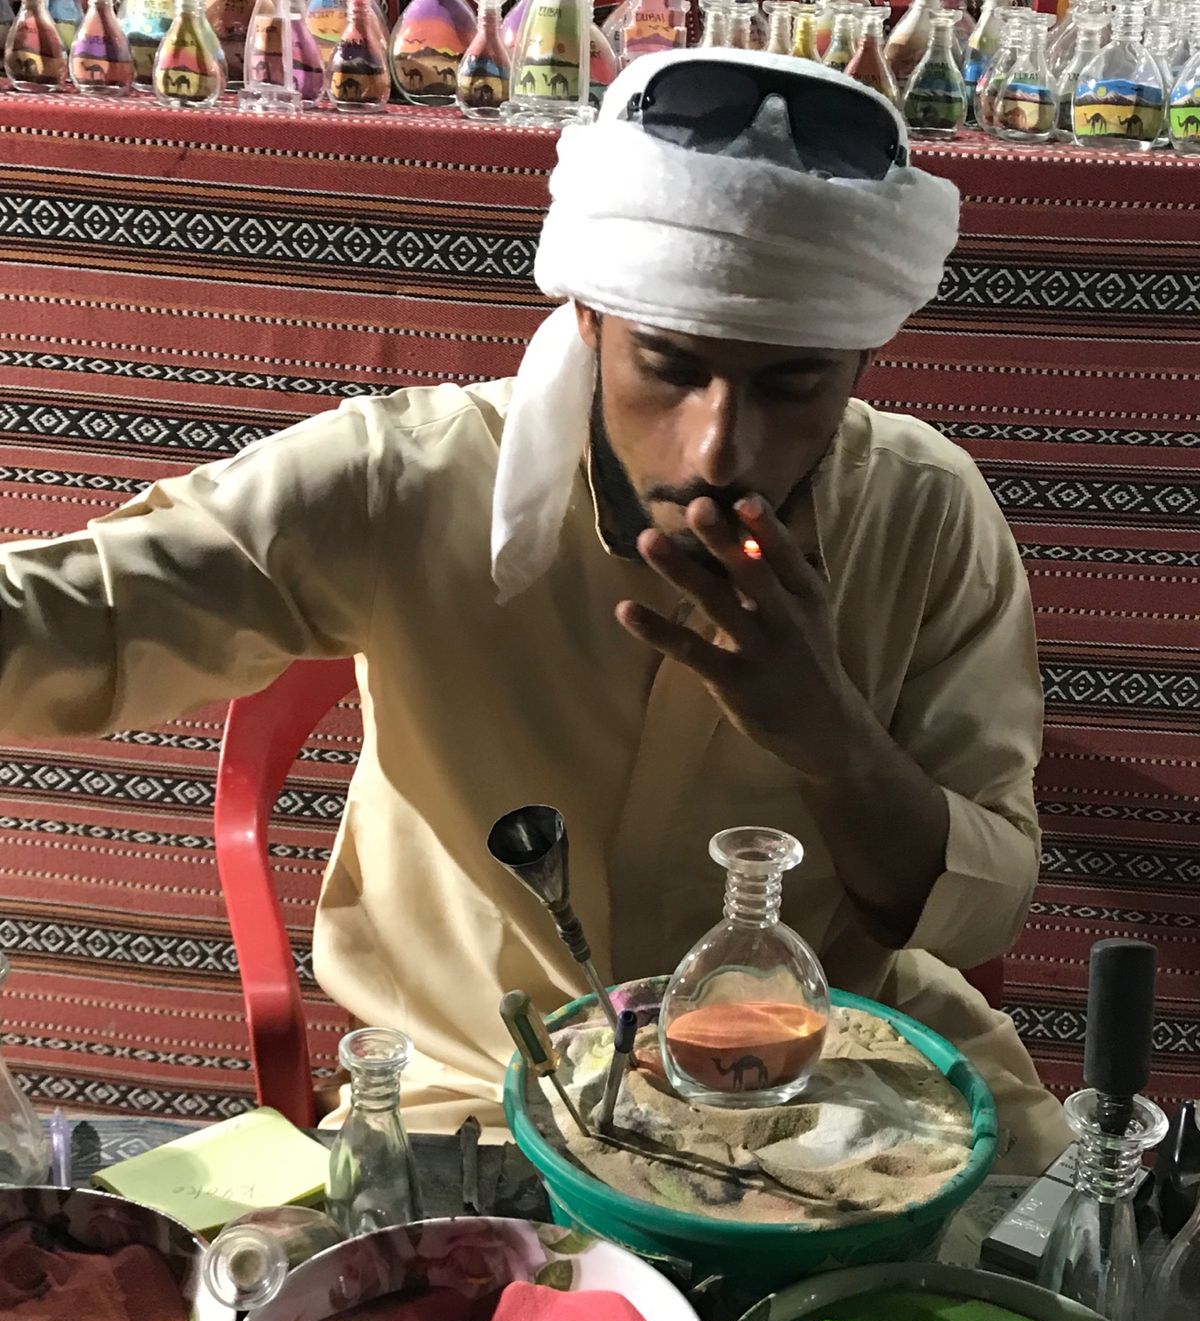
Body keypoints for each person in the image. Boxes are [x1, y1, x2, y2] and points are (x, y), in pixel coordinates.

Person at [0, 51, 1068, 1169]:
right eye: (671, 366)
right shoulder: (408, 481)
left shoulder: (924, 511)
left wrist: (832, 743)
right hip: (484, 1091)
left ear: (858, 364)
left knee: (1076, 1263)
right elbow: (78, 616)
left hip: (835, 1076)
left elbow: (982, 906)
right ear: (591, 319)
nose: (719, 448)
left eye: (791, 384)